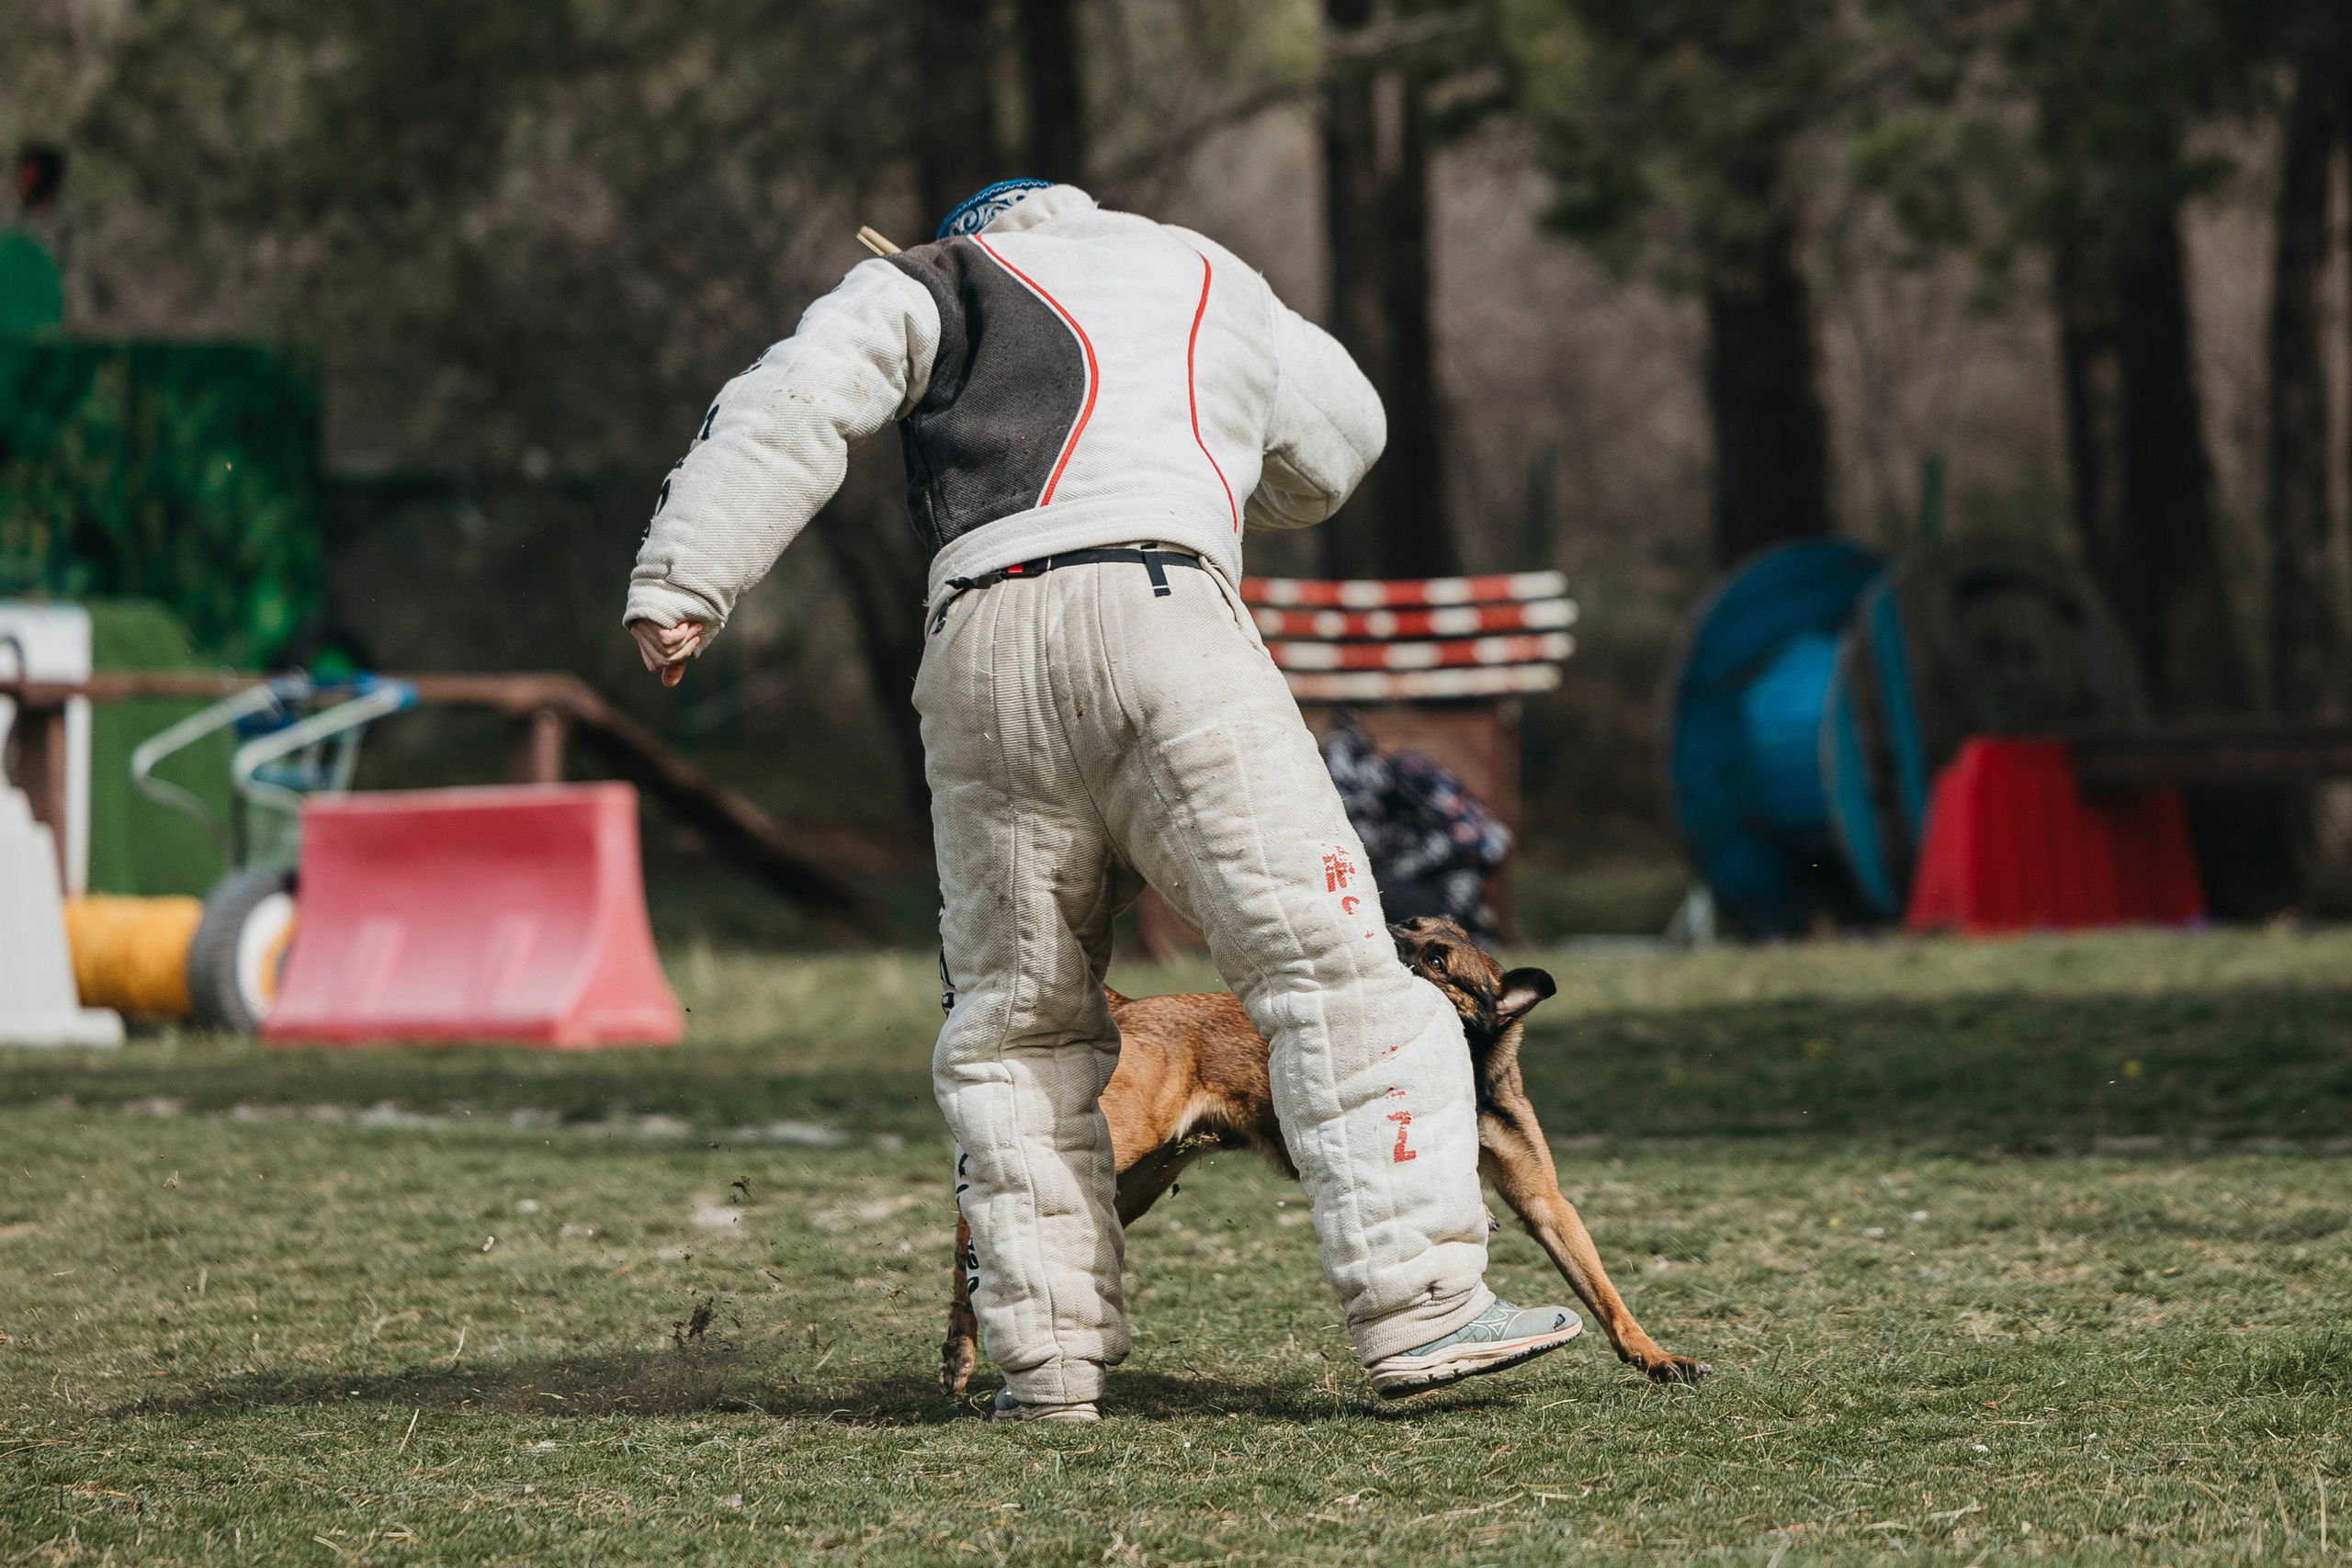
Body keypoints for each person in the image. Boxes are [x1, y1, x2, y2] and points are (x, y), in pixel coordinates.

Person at [624, 180, 1580, 1422]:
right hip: (1168, 617)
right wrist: (1224, 458)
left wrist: (683, 575)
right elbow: (1344, 441)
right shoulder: (1203, 270)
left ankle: (1049, 1365)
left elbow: (790, 397)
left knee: (1015, 1028)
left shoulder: (936, 278)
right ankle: (1425, 1311)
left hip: (975, 640)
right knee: (1331, 967)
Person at [0, 143, 67, 336]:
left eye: (30, 171)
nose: (23, 177)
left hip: (44, 320)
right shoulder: (14, 218)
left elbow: (69, 274)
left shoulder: (63, 222)